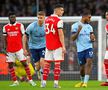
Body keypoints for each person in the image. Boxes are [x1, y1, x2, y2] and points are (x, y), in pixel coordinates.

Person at [2, 12, 36, 86]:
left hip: (19, 49)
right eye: (11, 17)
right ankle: (15, 82)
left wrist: (25, 48)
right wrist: (4, 47)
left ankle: (30, 80)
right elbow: (4, 38)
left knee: (25, 64)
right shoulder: (5, 27)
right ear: (9, 18)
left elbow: (24, 37)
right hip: (10, 50)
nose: (13, 18)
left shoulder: (20, 25)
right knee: (10, 65)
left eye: (14, 17)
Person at [41, 4, 66, 88]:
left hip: (48, 45)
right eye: (61, 10)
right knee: (57, 64)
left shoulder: (46, 19)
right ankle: (55, 83)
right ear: (56, 10)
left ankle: (43, 82)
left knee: (47, 64)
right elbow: (60, 34)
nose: (62, 12)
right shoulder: (59, 20)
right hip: (57, 45)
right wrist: (63, 46)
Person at [71, 11, 95, 88]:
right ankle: (82, 81)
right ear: (84, 17)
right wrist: (78, 31)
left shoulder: (90, 27)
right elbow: (72, 38)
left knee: (89, 62)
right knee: (82, 68)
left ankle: (85, 83)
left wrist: (93, 39)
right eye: (89, 17)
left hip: (89, 47)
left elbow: (92, 37)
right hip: (80, 50)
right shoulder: (75, 25)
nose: (90, 19)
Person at [23, 11, 45, 83]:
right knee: (37, 65)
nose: (39, 19)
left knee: (42, 61)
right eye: (38, 18)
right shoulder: (32, 26)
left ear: (44, 18)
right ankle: (38, 71)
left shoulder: (47, 25)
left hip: (43, 46)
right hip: (33, 47)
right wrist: (24, 48)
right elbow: (25, 35)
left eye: (41, 18)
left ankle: (43, 80)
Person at [100, 11, 108, 86]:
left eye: (107, 15)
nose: (106, 16)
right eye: (105, 14)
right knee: (106, 62)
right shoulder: (107, 25)